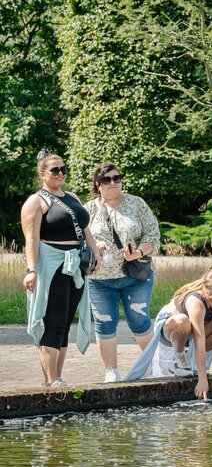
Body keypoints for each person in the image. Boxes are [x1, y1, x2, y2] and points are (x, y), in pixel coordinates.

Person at [21, 149, 100, 387]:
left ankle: (58, 378)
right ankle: (51, 380)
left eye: (63, 169)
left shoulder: (73, 197)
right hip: (52, 264)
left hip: (76, 264)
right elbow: (32, 239)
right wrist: (31, 270)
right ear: (42, 173)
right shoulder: (36, 201)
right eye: (55, 170)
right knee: (53, 322)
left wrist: (95, 255)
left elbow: (86, 231)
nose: (60, 173)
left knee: (65, 324)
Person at [84, 162, 161, 383]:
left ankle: (154, 366)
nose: (113, 183)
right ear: (98, 184)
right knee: (104, 322)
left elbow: (153, 236)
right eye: (107, 180)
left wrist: (137, 252)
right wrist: (94, 247)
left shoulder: (137, 204)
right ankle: (111, 371)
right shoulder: (88, 209)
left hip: (135, 276)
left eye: (117, 178)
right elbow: (79, 239)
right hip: (100, 278)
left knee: (140, 321)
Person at [125, 263, 212, 400]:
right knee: (183, 322)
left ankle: (191, 359)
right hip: (172, 329)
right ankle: (180, 358)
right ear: (204, 287)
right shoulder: (195, 302)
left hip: (195, 330)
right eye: (211, 295)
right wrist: (203, 380)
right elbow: (199, 340)